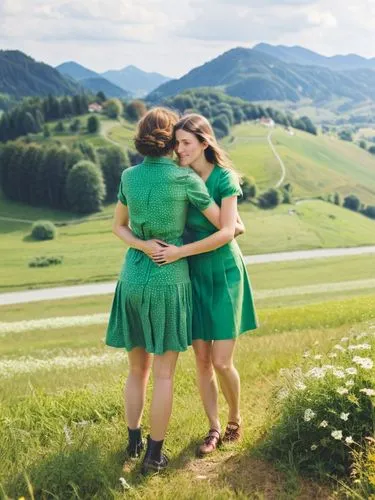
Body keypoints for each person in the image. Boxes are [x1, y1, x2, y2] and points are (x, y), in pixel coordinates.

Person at [106, 107, 227, 474]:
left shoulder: (129, 176)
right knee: (163, 375)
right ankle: (154, 456)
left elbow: (118, 228)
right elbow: (226, 224)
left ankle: (133, 442)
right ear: (170, 139)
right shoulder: (184, 179)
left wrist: (144, 245)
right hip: (168, 280)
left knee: (135, 370)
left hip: (132, 278)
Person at [152, 113, 258, 457]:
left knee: (223, 361)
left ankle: (235, 419)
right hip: (192, 276)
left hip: (225, 272)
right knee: (201, 361)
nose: (179, 150)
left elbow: (229, 231)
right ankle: (213, 428)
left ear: (203, 143)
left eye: (185, 143)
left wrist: (181, 250)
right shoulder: (179, 178)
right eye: (176, 143)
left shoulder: (224, 178)